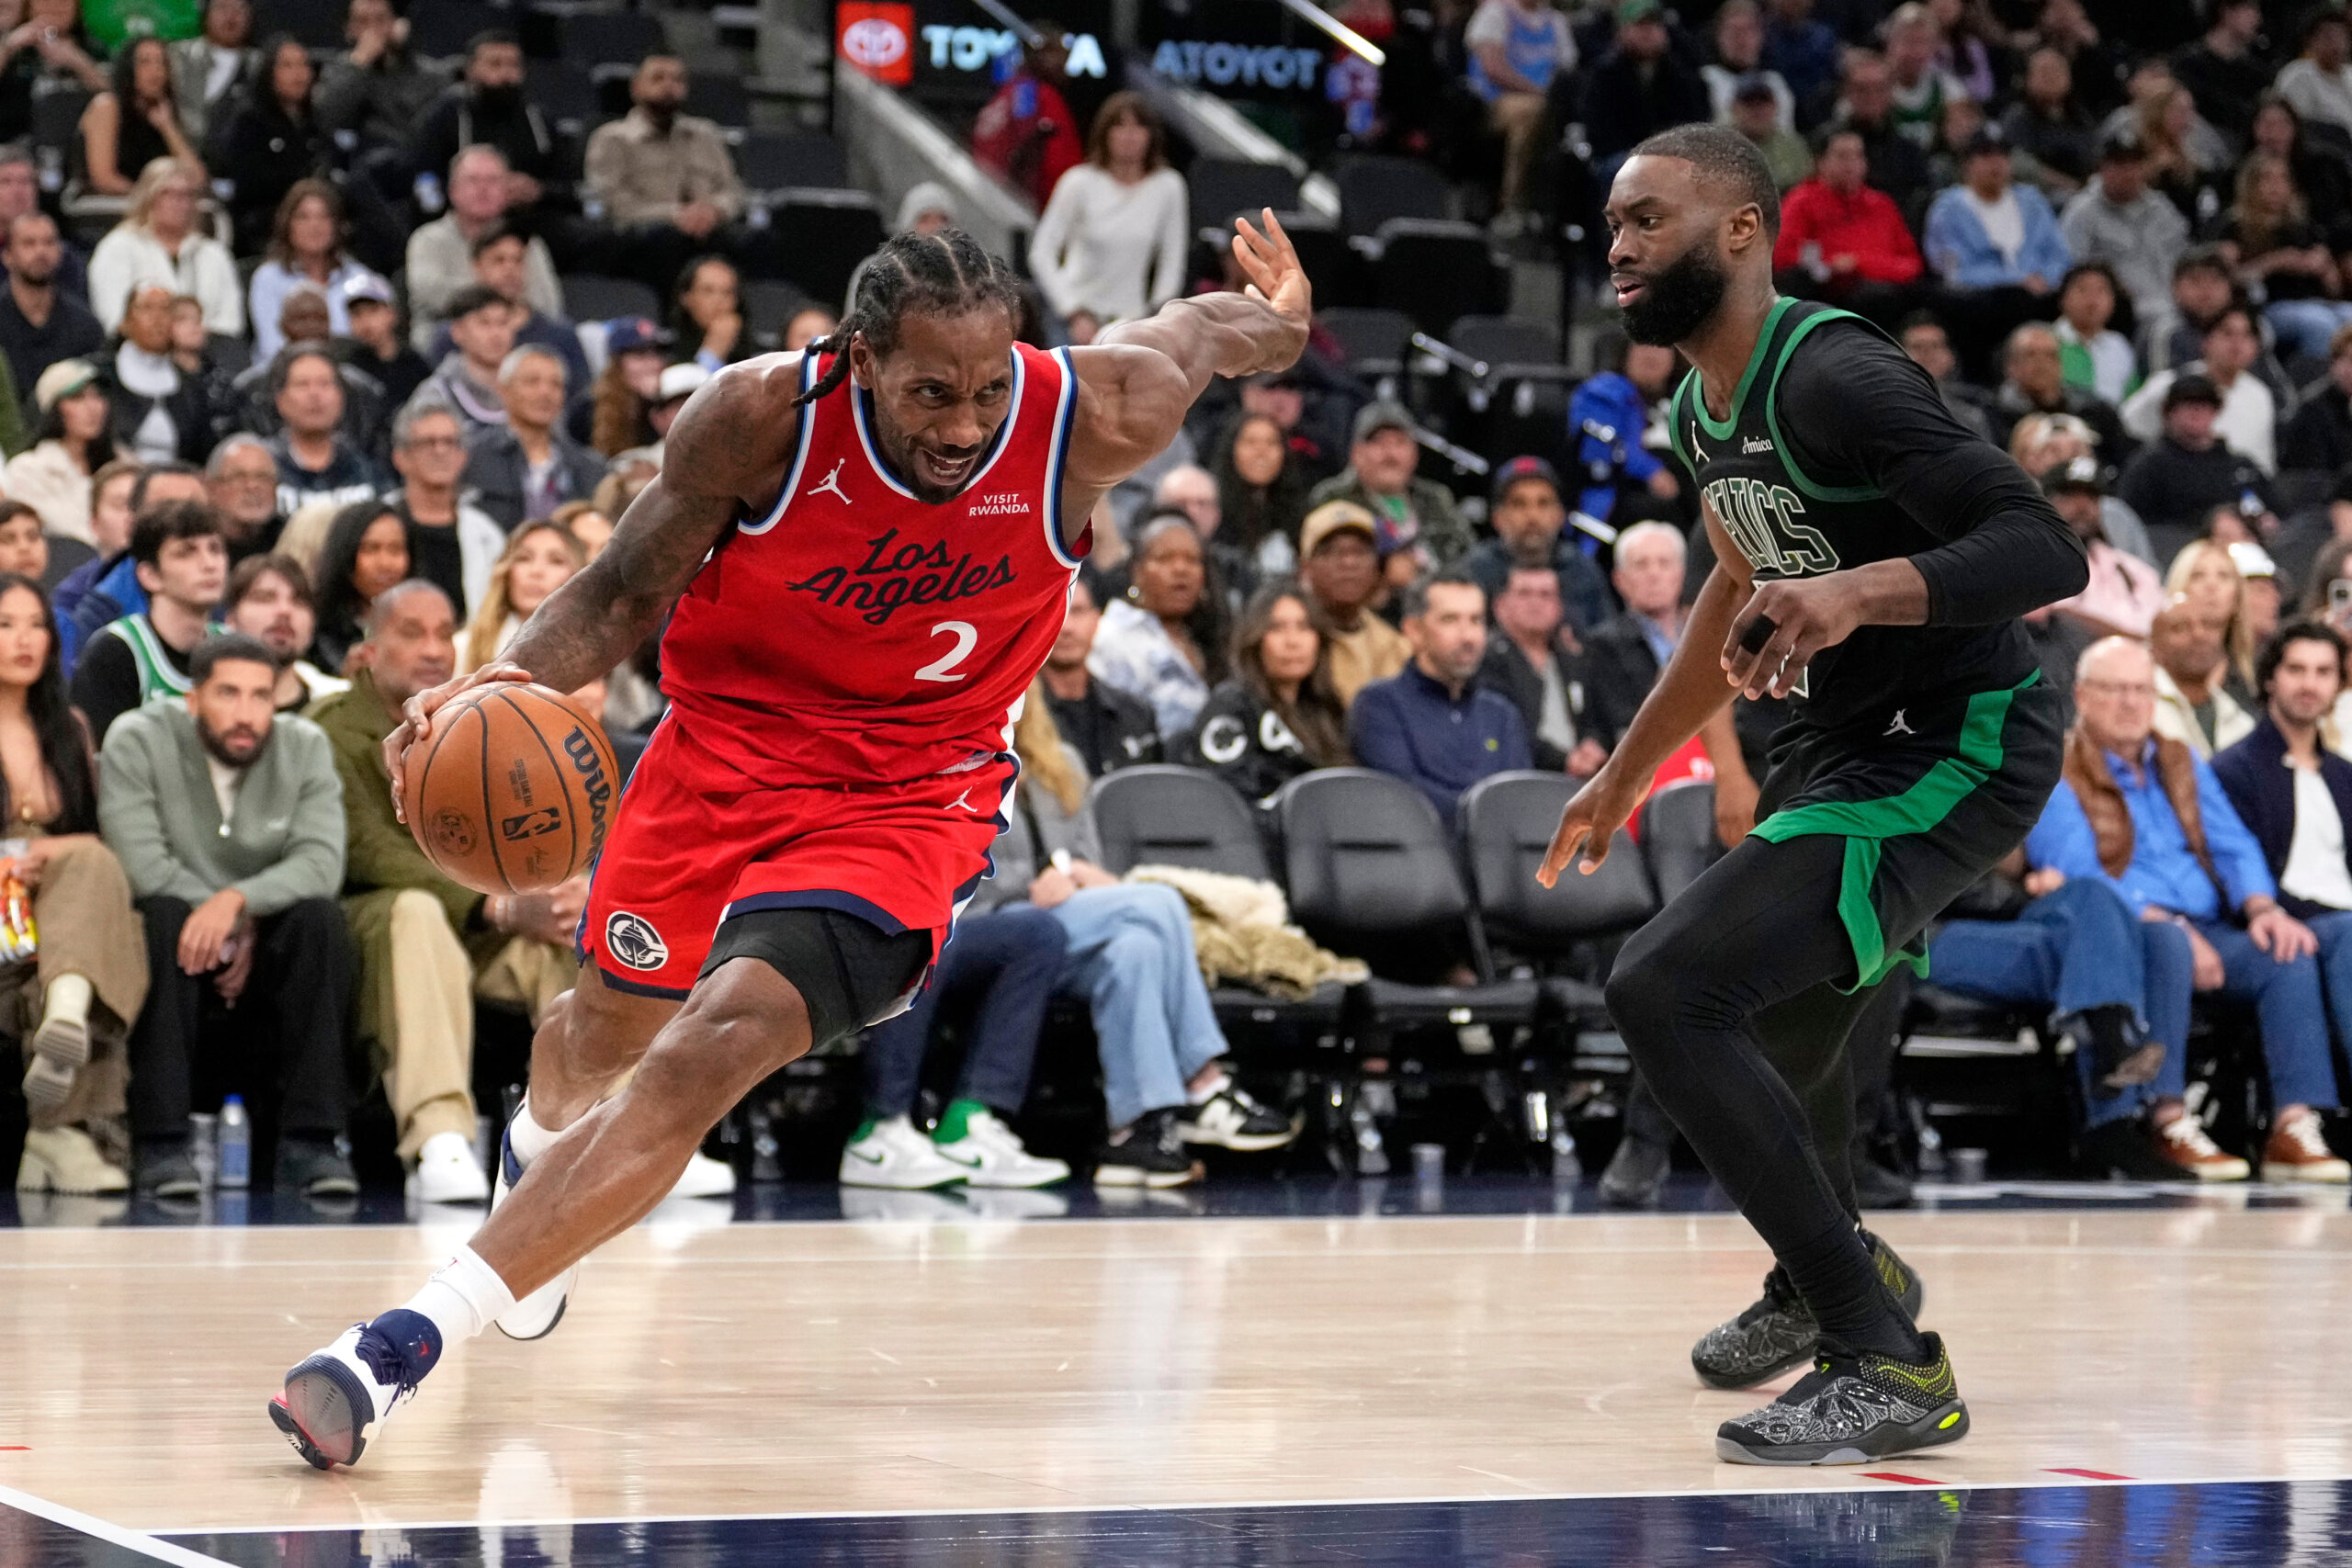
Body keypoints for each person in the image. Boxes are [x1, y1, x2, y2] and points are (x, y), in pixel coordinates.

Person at [269, 213, 1316, 1467]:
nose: (962, 424)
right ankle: (536, 1167)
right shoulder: (757, 420)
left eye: (986, 388)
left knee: (712, 1044)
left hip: (909, 798)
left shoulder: (1094, 413)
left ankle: (399, 1342)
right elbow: (616, 593)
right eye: (931, 390)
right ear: (862, 356)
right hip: (721, 757)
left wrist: (1290, 312)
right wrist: (493, 683)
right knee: (594, 1032)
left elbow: (1210, 329)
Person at [1547, 125, 2086, 1464]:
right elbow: (1733, 582)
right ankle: (1830, 1278)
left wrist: (1852, 592)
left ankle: (1885, 1356)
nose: (1618, 244)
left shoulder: (1836, 370)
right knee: (1786, 1034)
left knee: (1664, 987)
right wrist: (1622, 772)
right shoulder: (1693, 406)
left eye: (1647, 219)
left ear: (1740, 231)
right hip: (1841, 747)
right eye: (1612, 222)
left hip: (1960, 740)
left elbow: (2043, 545)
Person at [311, 581, 639, 1205]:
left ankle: (618, 1125)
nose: (433, 648)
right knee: (416, 913)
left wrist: (549, 891)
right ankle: (440, 1137)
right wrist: (499, 904)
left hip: (479, 935)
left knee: (571, 930)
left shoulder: (480, 717)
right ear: (369, 648)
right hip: (372, 931)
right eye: (412, 632)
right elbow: (363, 850)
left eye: (443, 632)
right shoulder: (329, 729)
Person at [2028, 635, 2347, 1182]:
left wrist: (2263, 907)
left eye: (2140, 690)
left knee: (2286, 951)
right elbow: (2079, 874)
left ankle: (2294, 1126)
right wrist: (2169, 921)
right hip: (2130, 929)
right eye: (2114, 690)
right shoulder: (2055, 768)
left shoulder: (2180, 761)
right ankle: (2167, 1117)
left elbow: (2233, 845)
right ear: (2082, 695)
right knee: (2168, 943)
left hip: (2206, 926)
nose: (2130, 702)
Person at [998, 684, 1298, 1187]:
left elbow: (1087, 860)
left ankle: (1132, 1135)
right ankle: (1203, 1081)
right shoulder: (957, 764)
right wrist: (1029, 888)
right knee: (1158, 902)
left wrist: (1076, 873)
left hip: (1071, 922)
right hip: (1000, 921)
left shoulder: (1064, 761)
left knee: (1136, 949)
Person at [98, 632, 356, 1200]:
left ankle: (312, 1142)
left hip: (265, 958)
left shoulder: (305, 744)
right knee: (161, 915)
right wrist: (216, 916)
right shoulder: (137, 738)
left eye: (261, 696)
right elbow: (140, 864)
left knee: (318, 919)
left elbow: (321, 863)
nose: (247, 714)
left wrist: (238, 909)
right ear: (193, 700)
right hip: (176, 954)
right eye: (228, 694)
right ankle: (161, 1144)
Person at [0, 572, 147, 1197]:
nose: (24, 639)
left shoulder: (72, 729)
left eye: (36, 624)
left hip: (54, 918)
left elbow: (92, 839)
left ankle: (64, 1024)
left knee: (97, 876)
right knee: (90, 869)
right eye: (5, 624)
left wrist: (41, 852)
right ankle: (58, 1127)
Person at [836, 896, 1070, 1190]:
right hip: (855, 912)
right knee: (926, 924)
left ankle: (966, 1125)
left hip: (943, 916)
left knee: (1039, 933)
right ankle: (878, 1131)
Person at [2214, 621, 2352, 1122]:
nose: (2309, 684)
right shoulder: (2235, 769)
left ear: (2338, 683)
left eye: (2323, 672)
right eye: (2296, 669)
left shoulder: (2344, 775)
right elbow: (2233, 874)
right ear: (2271, 677)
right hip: (2291, 922)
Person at [1350, 571, 1528, 826]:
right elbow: (1403, 797)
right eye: (1450, 620)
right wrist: (1488, 817)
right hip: (1415, 859)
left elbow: (1521, 799)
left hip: (1498, 859)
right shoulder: (1379, 705)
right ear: (1414, 630)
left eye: (1476, 621)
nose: (1468, 636)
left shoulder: (1501, 713)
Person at [582, 55, 747, 297]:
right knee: (663, 238)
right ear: (636, 87)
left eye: (678, 79)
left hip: (709, 231)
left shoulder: (706, 134)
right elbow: (614, 202)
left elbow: (733, 189)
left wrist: (715, 210)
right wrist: (676, 215)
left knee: (757, 240)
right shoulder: (611, 138)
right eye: (658, 78)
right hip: (646, 236)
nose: (669, 85)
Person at [1030, 93, 1188, 337]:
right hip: (1073, 321)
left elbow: (1172, 259)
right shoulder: (1078, 181)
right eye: (1120, 126)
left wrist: (1159, 317)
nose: (1129, 136)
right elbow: (1041, 253)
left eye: (1138, 126)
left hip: (1133, 322)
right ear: (1105, 133)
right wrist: (1074, 312)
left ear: (1151, 135)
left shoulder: (1168, 186)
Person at [1921, 127, 2073, 377]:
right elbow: (1953, 268)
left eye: (2001, 156)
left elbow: (2058, 254)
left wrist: (2046, 278)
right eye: (1985, 156)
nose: (1995, 164)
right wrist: (2016, 281)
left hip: (2039, 294)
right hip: (1983, 301)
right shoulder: (1949, 208)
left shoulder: (2032, 201)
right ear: (1968, 164)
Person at [70, 499, 225, 740]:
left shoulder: (234, 647)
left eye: (215, 549)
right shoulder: (115, 653)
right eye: (186, 552)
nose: (209, 564)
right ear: (150, 575)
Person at [1182, 581, 1351, 801]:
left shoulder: (1328, 712)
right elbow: (1225, 797)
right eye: (1277, 628)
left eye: (1304, 627)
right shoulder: (1231, 707)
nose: (1293, 642)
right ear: (1255, 639)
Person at [404, 146, 563, 353]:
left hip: (521, 341)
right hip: (447, 340)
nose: (483, 189)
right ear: (453, 191)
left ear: (507, 192)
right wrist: (497, 292)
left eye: (493, 181)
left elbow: (548, 304)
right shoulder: (427, 239)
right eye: (473, 180)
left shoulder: (528, 243)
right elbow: (431, 293)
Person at [1086, 513, 1221, 741]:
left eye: (1193, 559)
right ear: (1136, 571)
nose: (1181, 570)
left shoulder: (1207, 636)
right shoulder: (1113, 636)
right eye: (1164, 558)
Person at [1306, 401, 1473, 581]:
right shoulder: (1333, 498)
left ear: (1414, 454)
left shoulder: (1436, 497)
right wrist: (1384, 568)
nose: (1391, 454)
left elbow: (1468, 553)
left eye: (1400, 443)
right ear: (1356, 453)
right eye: (1378, 442)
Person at [2114, 373, 2273, 557]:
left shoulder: (2241, 466)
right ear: (2169, 412)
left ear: (2216, 411)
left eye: (2206, 405)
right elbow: (2125, 523)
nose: (2197, 411)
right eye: (2187, 404)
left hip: (2243, 559)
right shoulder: (2148, 466)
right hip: (2172, 559)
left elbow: (2279, 514)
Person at [1772, 128, 1925, 316]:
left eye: (1858, 156)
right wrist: (1831, 265)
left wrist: (1858, 263)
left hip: (1885, 292)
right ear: (1820, 162)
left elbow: (1911, 265)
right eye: (1842, 156)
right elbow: (1783, 258)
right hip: (1829, 297)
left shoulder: (1882, 205)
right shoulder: (1801, 202)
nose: (1851, 165)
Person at [2057, 130, 2188, 350]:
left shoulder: (2162, 209)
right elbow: (2070, 272)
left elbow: (2185, 259)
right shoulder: (2082, 212)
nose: (2128, 173)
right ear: (2102, 168)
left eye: (2134, 164)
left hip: (2174, 304)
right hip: (2125, 313)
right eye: (2119, 165)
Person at [1461, 456, 1614, 638]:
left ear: (1560, 516)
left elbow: (1607, 641)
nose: (1532, 516)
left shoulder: (1581, 570)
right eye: (1519, 504)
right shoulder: (1475, 571)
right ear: (1497, 517)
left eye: (1543, 503)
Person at [87, 159, 241, 337]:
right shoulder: (118, 247)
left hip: (209, 355)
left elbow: (231, 323)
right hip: (136, 355)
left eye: (187, 195)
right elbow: (114, 317)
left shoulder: (213, 253)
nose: (180, 204)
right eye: (168, 193)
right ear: (149, 197)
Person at [411, 31, 559, 218]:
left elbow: (568, 183)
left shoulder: (539, 118)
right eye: (495, 64)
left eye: (514, 65)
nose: (506, 74)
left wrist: (539, 190)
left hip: (530, 216)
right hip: (461, 218)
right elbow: (426, 181)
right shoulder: (446, 115)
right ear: (470, 70)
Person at [1482, 563, 1605, 776]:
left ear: (1559, 607)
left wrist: (1592, 744)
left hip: (1582, 780)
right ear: (1500, 606)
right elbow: (1503, 730)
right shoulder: (1488, 661)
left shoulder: (1574, 659)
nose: (1535, 603)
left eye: (1546, 595)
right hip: (1520, 778)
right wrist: (1563, 760)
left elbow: (1596, 718)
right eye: (1524, 593)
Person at [459, 347, 599, 532]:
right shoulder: (471, 458)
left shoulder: (591, 468)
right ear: (503, 390)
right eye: (532, 382)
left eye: (556, 384)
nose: (545, 392)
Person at [212, 34, 329, 254]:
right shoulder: (249, 120)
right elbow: (249, 182)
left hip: (314, 216)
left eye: (304, 64)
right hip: (263, 224)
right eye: (287, 65)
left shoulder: (315, 123)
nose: (299, 74)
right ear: (268, 72)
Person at [1038, 574, 1160, 778]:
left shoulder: (1136, 713)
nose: (1067, 627)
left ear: (1097, 619)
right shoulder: (1015, 718)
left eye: (1077, 612)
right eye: (1054, 611)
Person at [1467, 0, 1577, 228]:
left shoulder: (1556, 22)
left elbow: (1567, 69)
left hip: (1547, 105)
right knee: (1531, 113)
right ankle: (1513, 203)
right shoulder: (1496, 13)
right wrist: (1538, 93)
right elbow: (1493, 68)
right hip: (1495, 101)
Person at [386, 400, 499, 619]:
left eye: (450, 442)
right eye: (428, 442)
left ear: (463, 456)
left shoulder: (487, 534)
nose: (440, 451)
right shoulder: (379, 521)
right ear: (400, 457)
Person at [1584, 521, 1688, 750]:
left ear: (1681, 574)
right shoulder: (1602, 645)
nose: (1654, 574)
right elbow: (1618, 722)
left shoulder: (1707, 638)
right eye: (1641, 565)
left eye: (1664, 563)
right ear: (1620, 580)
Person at [1296, 500, 1409, 708]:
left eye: (1360, 551)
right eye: (1331, 551)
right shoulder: (1291, 644)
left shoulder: (1398, 648)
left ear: (1378, 566)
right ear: (1305, 567)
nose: (1348, 563)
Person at [2037, 457, 2162, 641]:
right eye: (2069, 495)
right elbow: (2055, 618)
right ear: (2046, 502)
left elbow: (2162, 624)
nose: (2082, 506)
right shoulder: (2032, 563)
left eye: (2091, 496)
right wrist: (2133, 641)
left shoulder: (2131, 569)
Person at [1581, 0, 1712, 172]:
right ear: (1621, 31)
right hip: (1620, 162)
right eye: (1640, 25)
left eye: (1655, 25)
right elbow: (1600, 135)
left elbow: (1694, 125)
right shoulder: (1604, 76)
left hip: (1672, 159)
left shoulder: (1681, 75)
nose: (1649, 32)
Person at [248, 182, 370, 362]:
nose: (315, 226)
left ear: (337, 225)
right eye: (303, 217)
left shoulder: (359, 277)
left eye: (324, 217)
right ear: (287, 224)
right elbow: (272, 347)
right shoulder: (268, 278)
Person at [0, 211, 103, 423]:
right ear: (7, 256)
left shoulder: (85, 324)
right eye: (29, 244)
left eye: (49, 242)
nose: (40, 252)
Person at [266, 344, 388, 519]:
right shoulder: (262, 466)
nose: (315, 394)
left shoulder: (367, 469)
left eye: (325, 384)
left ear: (341, 397)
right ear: (280, 400)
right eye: (302, 385)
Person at [79, 36, 205, 201]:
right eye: (145, 62)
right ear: (128, 68)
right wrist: (153, 201)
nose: (156, 71)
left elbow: (197, 180)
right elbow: (104, 179)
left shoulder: (164, 115)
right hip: (106, 206)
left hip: (153, 211)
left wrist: (167, 127)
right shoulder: (107, 106)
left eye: (162, 63)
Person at [969, 28, 1081, 210]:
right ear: (1036, 55)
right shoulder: (1030, 93)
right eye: (1054, 53)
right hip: (1014, 200)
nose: (1062, 62)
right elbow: (1031, 148)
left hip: (992, 194)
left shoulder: (1014, 89)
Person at [5, 360, 112, 547]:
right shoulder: (28, 470)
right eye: (77, 398)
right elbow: (72, 535)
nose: (92, 407)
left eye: (97, 396)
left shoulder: (122, 463)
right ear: (53, 409)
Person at [1985, 321, 2130, 457]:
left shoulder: (2093, 410)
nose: (2042, 364)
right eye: (2030, 355)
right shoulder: (1992, 416)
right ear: (2010, 366)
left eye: (2050, 356)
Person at [456, 519, 582, 675]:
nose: (536, 571)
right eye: (524, 558)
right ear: (506, 572)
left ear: (578, 576)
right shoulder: (462, 648)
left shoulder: (595, 653)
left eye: (556, 561)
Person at [223, 553, 345, 712]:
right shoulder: (195, 705)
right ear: (231, 620)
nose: (285, 611)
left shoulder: (341, 706)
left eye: (299, 602)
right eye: (265, 598)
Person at [1833, 51, 1937, 225]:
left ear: (1890, 92)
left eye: (1879, 88)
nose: (1871, 97)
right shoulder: (1827, 147)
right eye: (1862, 89)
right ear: (1847, 92)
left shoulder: (1909, 152)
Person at [2148, 594, 2252, 758]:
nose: (2199, 634)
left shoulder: (2241, 722)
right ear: (2154, 647)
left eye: (2209, 625)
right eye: (2181, 627)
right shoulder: (2140, 708)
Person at [1208, 410, 1309, 574]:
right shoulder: (1211, 510)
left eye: (1272, 443)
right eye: (1250, 442)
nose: (1261, 452)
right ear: (1231, 450)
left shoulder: (1300, 515)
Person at [417, 285, 517, 439]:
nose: (496, 334)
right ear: (457, 332)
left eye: (503, 323)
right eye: (484, 323)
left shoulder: (533, 388)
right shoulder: (437, 396)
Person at [2169, 0, 2269, 146]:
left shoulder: (2257, 73)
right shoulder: (2186, 65)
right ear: (2227, 12)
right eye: (2250, 9)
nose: (2258, 18)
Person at [2002, 47, 2097, 201]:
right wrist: (2068, 185)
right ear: (2028, 78)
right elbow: (2017, 163)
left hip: (2081, 196)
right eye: (2044, 72)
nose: (2051, 77)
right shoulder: (2017, 118)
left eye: (2057, 71)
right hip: (2035, 197)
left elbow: (2093, 157)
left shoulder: (2081, 117)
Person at [166, 0, 255, 152]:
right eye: (222, 7)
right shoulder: (175, 57)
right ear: (205, 14)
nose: (230, 16)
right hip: (180, 152)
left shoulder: (260, 66)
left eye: (239, 9)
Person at [2052, 261, 2135, 407]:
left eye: (2101, 291)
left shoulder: (2119, 345)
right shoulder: (2047, 342)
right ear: (2063, 297)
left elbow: (2132, 398)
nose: (2092, 300)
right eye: (2083, 290)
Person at [340, 273, 426, 412]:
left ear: (392, 314)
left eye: (373, 310)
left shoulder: (416, 365)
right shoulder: (349, 368)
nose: (365, 322)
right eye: (356, 314)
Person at [583, 318, 668, 457]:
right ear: (616, 364)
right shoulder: (588, 408)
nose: (652, 365)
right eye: (639, 355)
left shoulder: (671, 402)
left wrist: (656, 402)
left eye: (656, 354)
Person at [204, 432, 283, 564]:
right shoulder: (198, 541)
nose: (252, 486)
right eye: (238, 477)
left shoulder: (288, 539)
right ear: (212, 488)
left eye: (263, 476)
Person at [2275, 9, 2352, 141]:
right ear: (2312, 41)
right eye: (2329, 37)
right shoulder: (2297, 75)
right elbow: (2296, 126)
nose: (2337, 44)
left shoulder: (2350, 74)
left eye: (2342, 36)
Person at [668, 254, 751, 373]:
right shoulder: (667, 351)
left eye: (728, 292)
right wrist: (713, 352)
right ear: (686, 297)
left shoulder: (753, 356)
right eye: (708, 291)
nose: (719, 301)